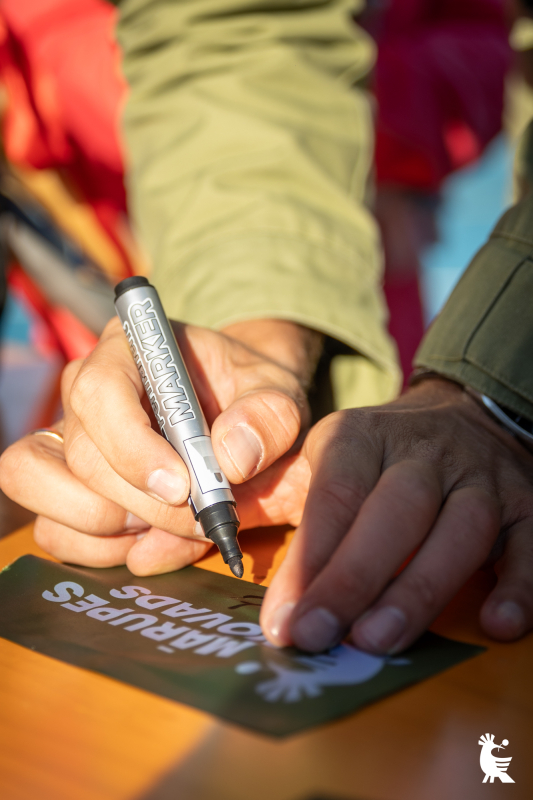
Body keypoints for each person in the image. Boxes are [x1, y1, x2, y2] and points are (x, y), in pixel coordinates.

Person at [1, 0, 532, 656]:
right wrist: (256, 330)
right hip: (183, 290)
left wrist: (498, 401)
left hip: (332, 263)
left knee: (381, 485)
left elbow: (243, 27)